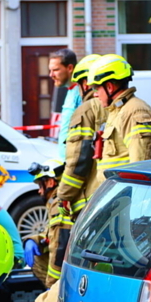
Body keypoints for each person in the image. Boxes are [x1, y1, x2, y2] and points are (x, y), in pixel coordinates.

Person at [57, 55, 112, 218]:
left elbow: (78, 159)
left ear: (85, 83)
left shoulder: (85, 110)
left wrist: (64, 195)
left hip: (92, 196)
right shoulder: (119, 107)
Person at [92, 54, 151, 173]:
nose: (95, 94)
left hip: (125, 191)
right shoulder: (118, 110)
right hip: (114, 189)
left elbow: (139, 167)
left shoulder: (134, 111)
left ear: (109, 87)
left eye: (97, 88)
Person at [23, 160, 71, 288]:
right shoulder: (56, 201)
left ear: (50, 182)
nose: (39, 191)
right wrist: (34, 240)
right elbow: (51, 232)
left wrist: (52, 286)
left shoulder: (57, 204)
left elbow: (58, 244)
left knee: (38, 260)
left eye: (40, 185)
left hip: (67, 263)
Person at [50, 48, 78, 158]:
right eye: (50, 70)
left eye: (56, 70)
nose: (51, 75)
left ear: (70, 68)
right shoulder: (70, 91)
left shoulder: (80, 94)